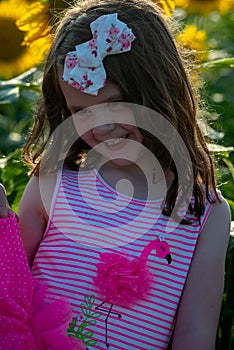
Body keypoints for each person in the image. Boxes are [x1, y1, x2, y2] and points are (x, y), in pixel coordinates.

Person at [9, 0, 231, 349]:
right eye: (80, 111)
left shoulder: (205, 214)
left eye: (116, 104)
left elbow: (195, 333)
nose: (101, 126)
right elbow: (10, 289)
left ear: (160, 92)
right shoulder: (52, 184)